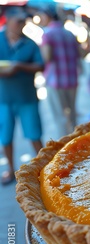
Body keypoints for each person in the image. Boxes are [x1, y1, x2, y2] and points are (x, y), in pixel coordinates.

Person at [0, 7, 44, 185]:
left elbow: (40, 66)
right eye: (18, 21)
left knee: (34, 135)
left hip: (27, 98)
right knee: (6, 137)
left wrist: (19, 67)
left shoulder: (30, 44)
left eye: (23, 22)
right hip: (4, 99)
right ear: (8, 21)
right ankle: (10, 170)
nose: (22, 25)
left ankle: (44, 169)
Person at [39, 6, 80, 137]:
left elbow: (47, 58)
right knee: (72, 115)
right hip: (72, 80)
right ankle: (75, 142)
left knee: (59, 118)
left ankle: (64, 149)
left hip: (55, 81)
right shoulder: (69, 34)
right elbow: (79, 55)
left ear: (48, 16)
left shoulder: (48, 34)